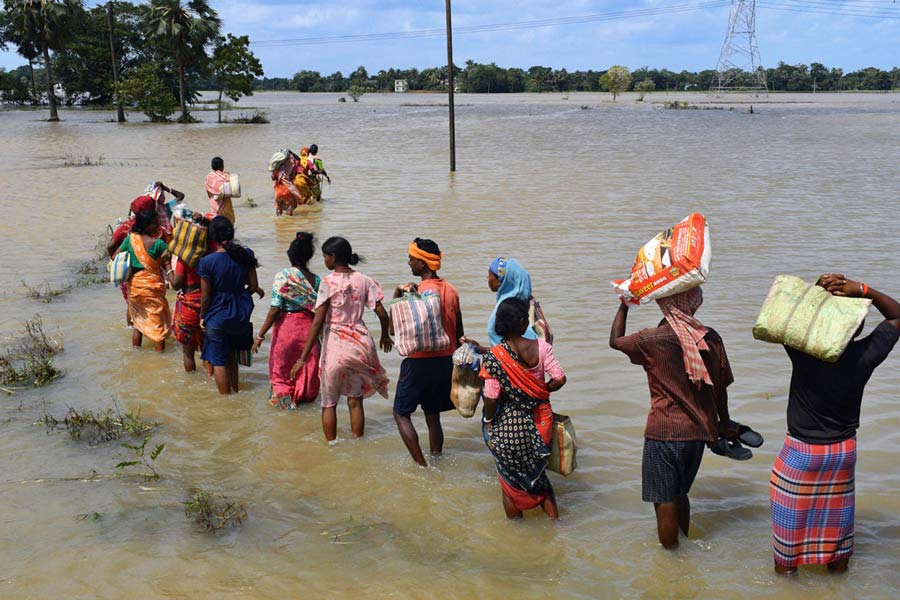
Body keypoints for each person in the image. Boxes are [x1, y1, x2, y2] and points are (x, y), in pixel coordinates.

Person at [770, 274, 900, 575]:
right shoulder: (865, 354)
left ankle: (786, 586)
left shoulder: (803, 350)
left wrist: (817, 291)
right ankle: (837, 585)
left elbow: (790, 317)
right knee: (837, 529)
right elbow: (896, 315)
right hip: (842, 452)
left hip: (802, 453)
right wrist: (864, 289)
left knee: (787, 540)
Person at [609, 287, 734, 549]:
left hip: (664, 432)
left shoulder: (651, 339)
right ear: (694, 304)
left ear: (663, 304)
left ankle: (671, 561)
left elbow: (615, 341)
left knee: (664, 499)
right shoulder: (711, 339)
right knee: (680, 494)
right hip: (699, 434)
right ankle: (684, 547)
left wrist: (624, 305)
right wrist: (725, 424)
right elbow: (720, 389)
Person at [293, 237, 392, 441]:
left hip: (336, 346)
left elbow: (317, 322)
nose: (324, 261)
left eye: (325, 257)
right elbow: (382, 314)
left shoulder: (327, 283)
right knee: (355, 401)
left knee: (329, 403)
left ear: (333, 257)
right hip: (360, 345)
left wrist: (302, 359)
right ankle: (358, 442)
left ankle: (332, 446)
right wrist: (384, 336)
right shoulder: (364, 280)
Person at [475, 297, 566, 520]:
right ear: (522, 323)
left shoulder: (495, 357)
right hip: (540, 424)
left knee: (509, 483)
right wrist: (540, 391)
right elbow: (560, 378)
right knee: (540, 479)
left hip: (508, 431)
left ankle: (517, 531)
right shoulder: (542, 348)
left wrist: (488, 420)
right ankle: (556, 527)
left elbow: (492, 396)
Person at [391, 238, 464, 466]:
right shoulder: (451, 290)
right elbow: (460, 333)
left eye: (412, 259)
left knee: (401, 413)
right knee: (433, 416)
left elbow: (395, 329)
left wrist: (396, 294)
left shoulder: (416, 292)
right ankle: (437, 459)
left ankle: (422, 465)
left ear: (423, 264)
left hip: (418, 363)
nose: (409, 263)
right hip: (445, 362)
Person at [252, 232, 322, 408]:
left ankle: (284, 414)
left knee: (282, 373)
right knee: (307, 371)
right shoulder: (317, 280)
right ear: (309, 256)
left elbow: (275, 308)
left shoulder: (283, 276)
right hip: (310, 330)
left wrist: (260, 336)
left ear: (290, 254)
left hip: (287, 329)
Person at [198, 216, 263, 394]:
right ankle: (235, 391)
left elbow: (206, 295)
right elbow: (253, 286)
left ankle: (226, 401)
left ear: (212, 237)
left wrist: (203, 316)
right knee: (232, 356)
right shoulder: (246, 254)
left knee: (219, 360)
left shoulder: (207, 262)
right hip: (241, 313)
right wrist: (239, 295)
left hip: (217, 314)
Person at [116, 210, 172, 352]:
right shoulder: (159, 245)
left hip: (135, 288)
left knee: (138, 324)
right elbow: (166, 264)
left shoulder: (130, 240)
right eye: (155, 223)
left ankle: (136, 353)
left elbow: (116, 257)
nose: (158, 226)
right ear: (146, 225)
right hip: (153, 289)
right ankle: (160, 358)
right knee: (158, 329)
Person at [167, 215, 208, 373]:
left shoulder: (184, 260)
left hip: (188, 309)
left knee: (188, 352)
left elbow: (176, 284)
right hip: (206, 306)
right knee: (207, 350)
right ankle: (211, 379)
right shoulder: (208, 257)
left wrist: (167, 265)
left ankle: (191, 381)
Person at [486, 257, 538, 346]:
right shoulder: (528, 302)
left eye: (490, 274)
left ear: (500, 280)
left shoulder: (505, 309)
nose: (488, 278)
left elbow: (507, 348)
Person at [206, 157, 236, 224]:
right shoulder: (225, 176)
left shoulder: (208, 177)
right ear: (222, 167)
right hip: (225, 209)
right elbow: (231, 188)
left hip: (214, 207)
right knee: (227, 228)